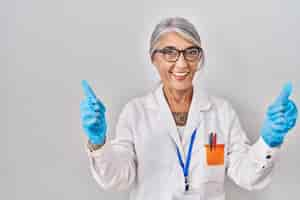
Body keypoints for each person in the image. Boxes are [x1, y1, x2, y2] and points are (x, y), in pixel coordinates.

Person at [79, 17, 298, 200]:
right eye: (170, 52)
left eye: (191, 52)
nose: (182, 64)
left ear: (199, 58)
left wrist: (271, 140)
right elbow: (118, 178)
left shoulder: (221, 113)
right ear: (153, 59)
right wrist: (98, 142)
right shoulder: (135, 113)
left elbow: (246, 175)